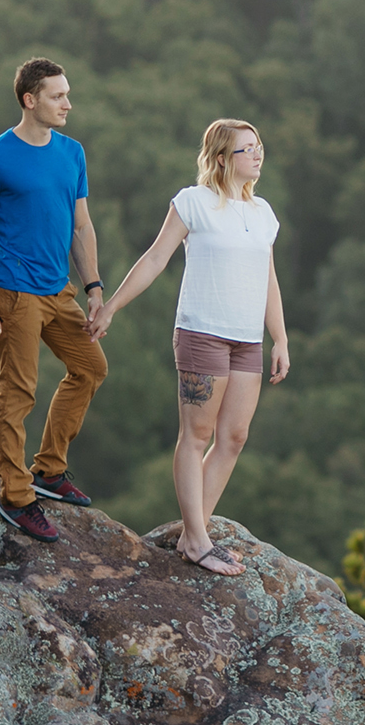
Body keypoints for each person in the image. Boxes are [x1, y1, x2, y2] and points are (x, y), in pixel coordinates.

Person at [92, 118, 290, 576]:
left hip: (247, 340)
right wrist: (113, 307)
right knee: (197, 435)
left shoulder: (264, 214)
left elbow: (269, 279)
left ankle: (190, 532)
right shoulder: (194, 202)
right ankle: (198, 539)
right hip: (203, 333)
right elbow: (155, 257)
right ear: (222, 158)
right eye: (247, 149)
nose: (258, 155)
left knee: (234, 437)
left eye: (259, 147)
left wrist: (279, 337)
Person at [0, 57, 109, 544]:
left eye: (67, 94)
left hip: (59, 290)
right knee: (18, 393)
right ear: (30, 100)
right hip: (14, 291)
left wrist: (94, 289)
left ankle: (48, 471)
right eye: (57, 95)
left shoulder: (72, 153)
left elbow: (81, 225)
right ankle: (16, 494)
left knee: (90, 368)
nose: (68, 103)